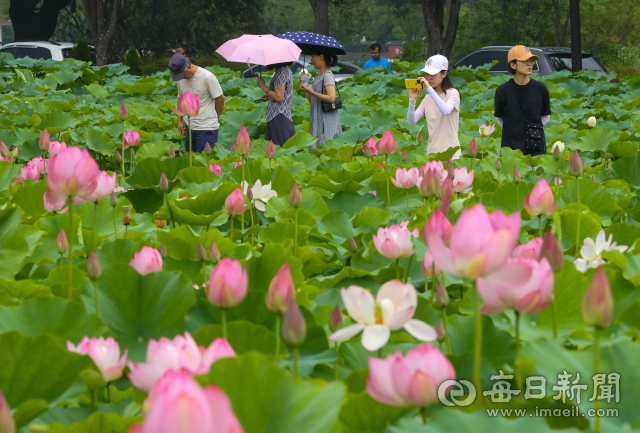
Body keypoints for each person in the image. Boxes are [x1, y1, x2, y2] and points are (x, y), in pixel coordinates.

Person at [494, 45, 551, 157]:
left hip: (536, 147)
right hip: (510, 149)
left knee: (535, 174)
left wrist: (532, 129)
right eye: (525, 61)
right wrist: (514, 130)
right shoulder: (502, 91)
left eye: (531, 61)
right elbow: (499, 117)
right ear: (513, 65)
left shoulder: (541, 89)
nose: (529, 64)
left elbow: (546, 116)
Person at [406, 54, 461, 159]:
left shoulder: (453, 93)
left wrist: (429, 89)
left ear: (444, 74)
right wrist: (412, 100)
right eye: (427, 74)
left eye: (433, 74)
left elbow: (446, 111)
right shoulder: (427, 98)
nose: (429, 78)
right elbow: (411, 121)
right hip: (432, 153)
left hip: (451, 154)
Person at [168, 53, 226, 153]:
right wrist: (179, 121)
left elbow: (220, 98)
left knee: (203, 163)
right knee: (191, 162)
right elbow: (180, 98)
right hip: (189, 126)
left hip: (207, 127)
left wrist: (217, 116)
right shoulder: (180, 78)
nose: (181, 78)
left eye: (182, 75)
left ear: (189, 67)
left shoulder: (207, 77)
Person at [301, 49, 342, 150]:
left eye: (313, 56)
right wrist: (305, 85)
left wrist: (312, 92)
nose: (311, 59)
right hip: (316, 120)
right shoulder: (318, 76)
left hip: (326, 122)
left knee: (325, 150)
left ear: (321, 57)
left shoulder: (328, 76)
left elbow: (331, 98)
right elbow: (313, 101)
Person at [256, 62, 295, 146]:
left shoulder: (281, 72)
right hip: (277, 117)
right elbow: (282, 94)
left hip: (279, 118)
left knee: (279, 153)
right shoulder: (283, 70)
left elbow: (279, 97)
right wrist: (269, 96)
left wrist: (262, 86)